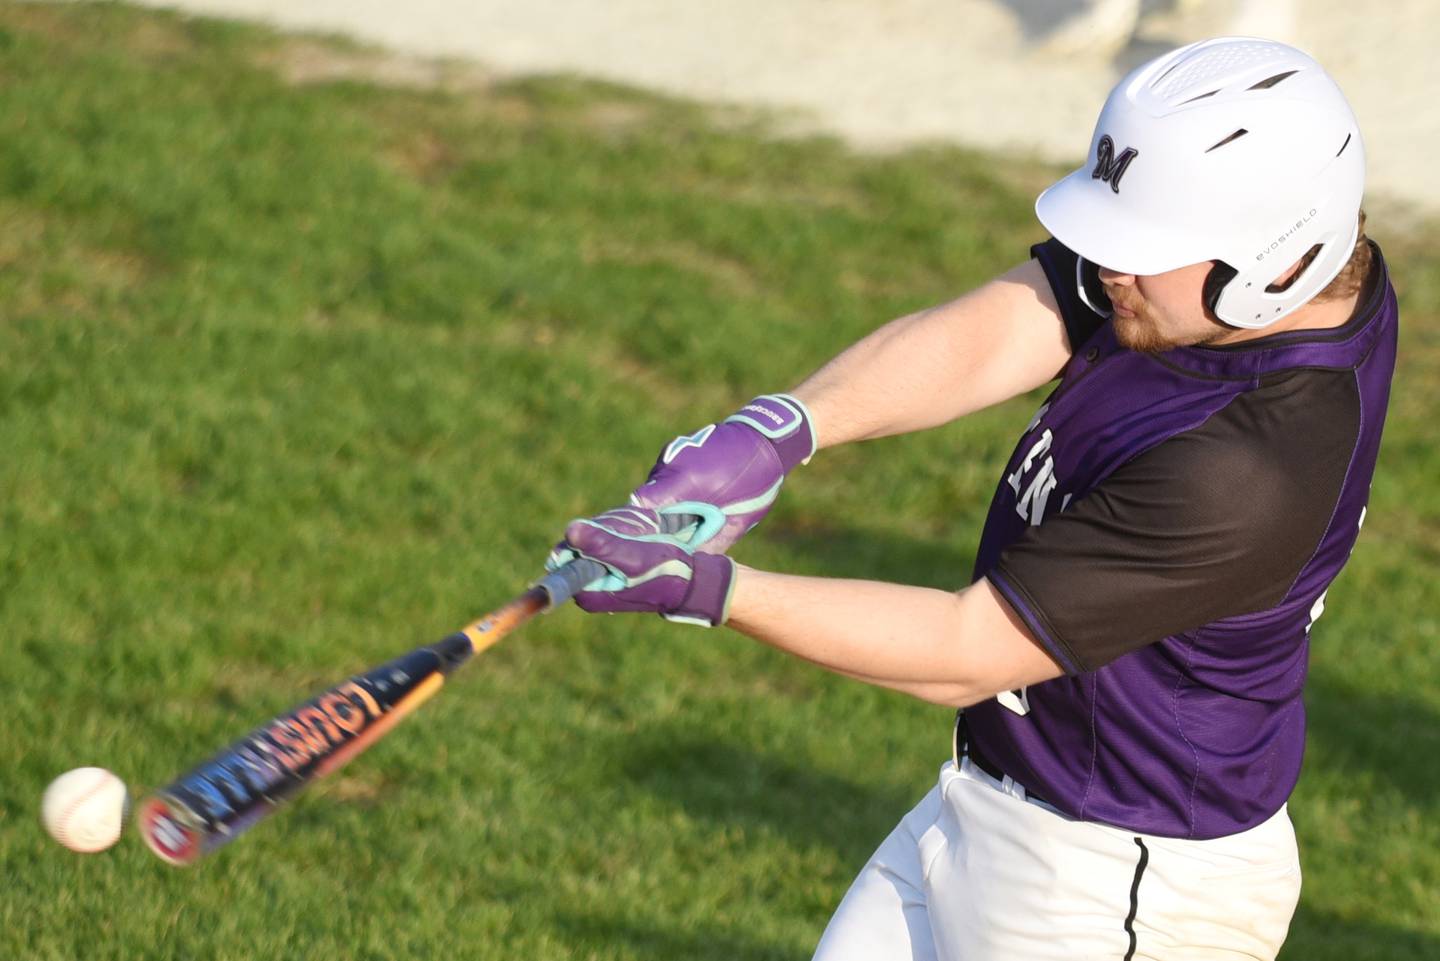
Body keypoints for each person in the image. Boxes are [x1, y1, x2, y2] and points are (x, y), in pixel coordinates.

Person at [548, 36, 1396, 960]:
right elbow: (1017, 321)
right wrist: (783, 428)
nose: (1110, 267)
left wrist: (709, 589)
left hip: (1116, 889)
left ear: (1278, 261)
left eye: (1145, 249)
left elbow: (964, 650)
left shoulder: (1249, 470)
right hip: (987, 805)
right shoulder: (1250, 286)